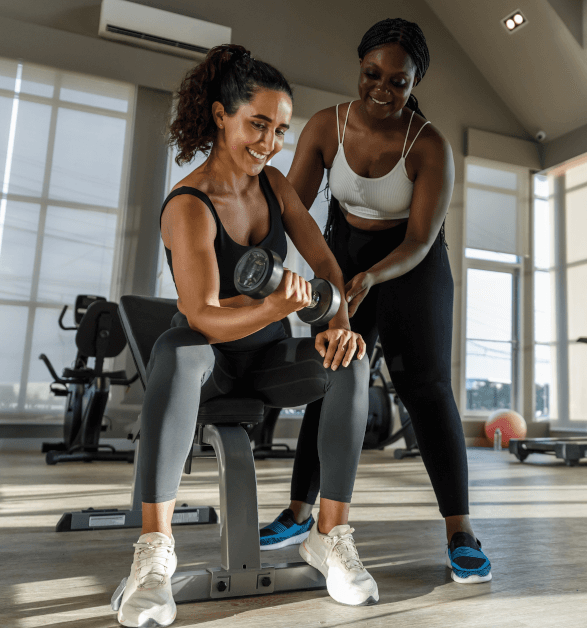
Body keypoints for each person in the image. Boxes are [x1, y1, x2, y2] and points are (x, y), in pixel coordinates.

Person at [116, 44, 377, 628]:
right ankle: (154, 555)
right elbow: (204, 315)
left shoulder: (276, 187)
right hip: (210, 369)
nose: (269, 142)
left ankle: (328, 536)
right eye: (257, 124)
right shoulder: (189, 205)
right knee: (178, 347)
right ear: (219, 116)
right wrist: (275, 303)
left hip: (265, 361)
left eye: (280, 129)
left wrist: (338, 326)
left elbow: (326, 263)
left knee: (352, 362)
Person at [260, 18, 492, 585]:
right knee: (331, 377)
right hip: (343, 255)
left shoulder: (429, 144)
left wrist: (370, 277)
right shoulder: (325, 125)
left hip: (411, 267)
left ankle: (460, 531)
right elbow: (293, 208)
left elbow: (418, 239)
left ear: (415, 84)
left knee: (428, 390)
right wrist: (277, 267)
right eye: (372, 74)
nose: (382, 89)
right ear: (359, 67)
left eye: (399, 81)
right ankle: (299, 512)